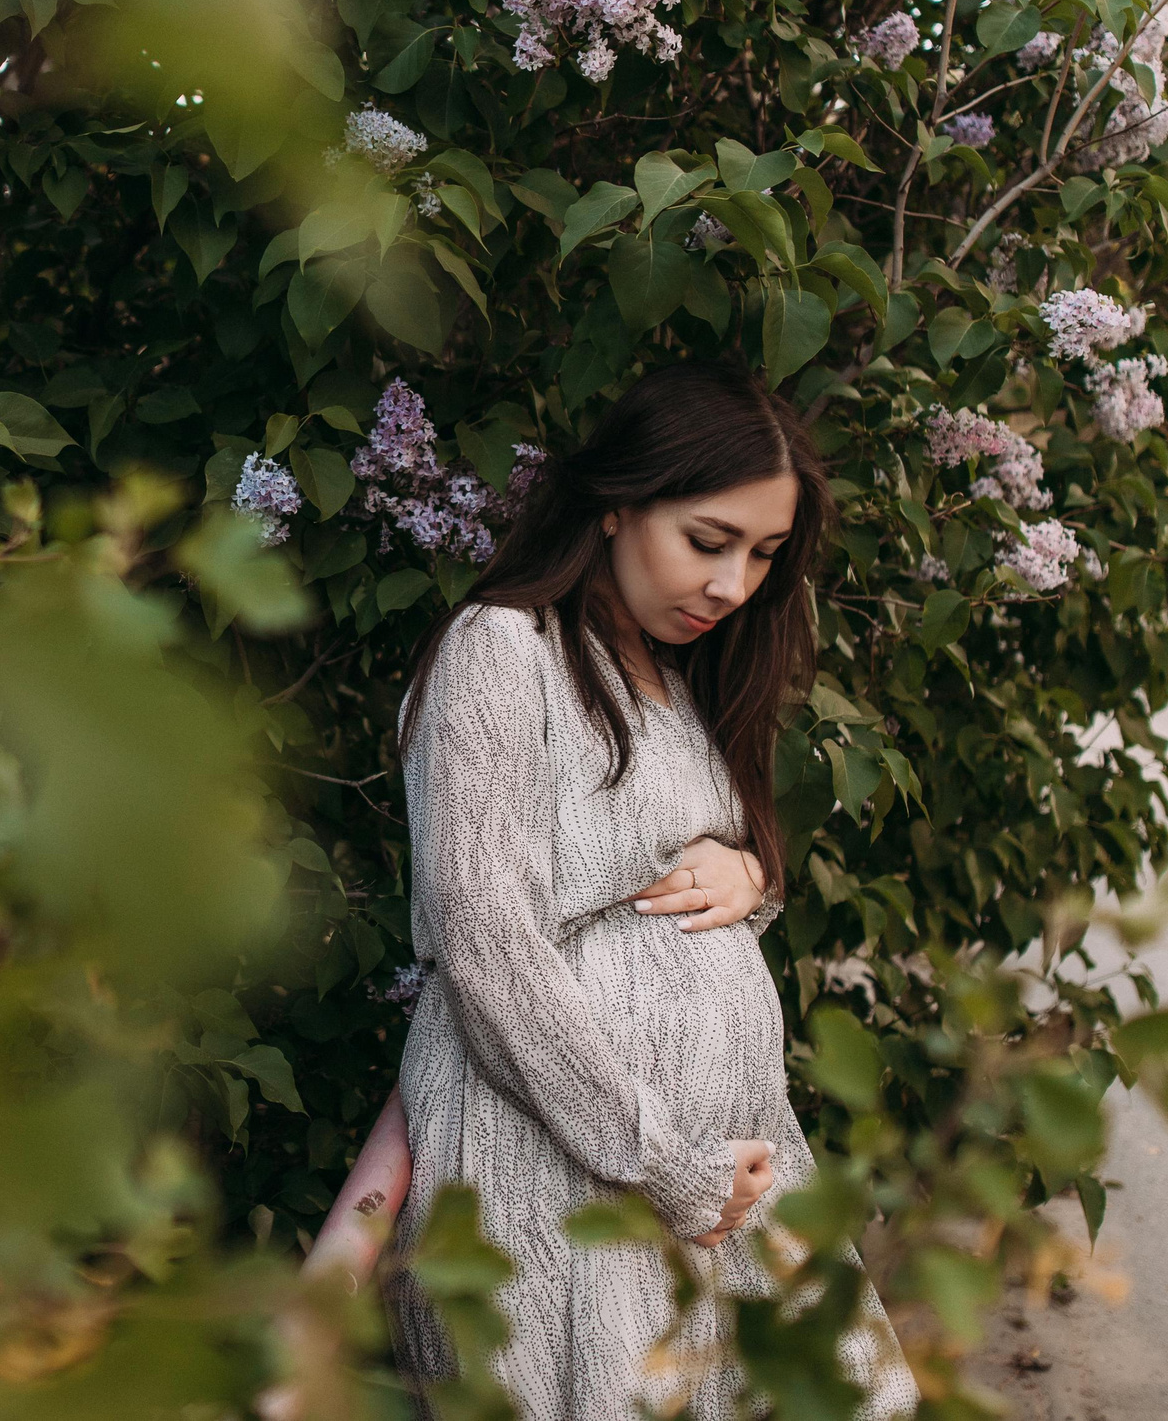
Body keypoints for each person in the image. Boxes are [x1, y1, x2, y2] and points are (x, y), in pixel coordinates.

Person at [313, 363, 916, 1420]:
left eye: (765, 556)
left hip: (720, 1172)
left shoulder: (671, 677)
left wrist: (752, 873)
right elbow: (487, 942)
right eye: (709, 541)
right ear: (615, 506)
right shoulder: (500, 653)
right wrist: (665, 1162)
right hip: (563, 1167)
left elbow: (656, 864)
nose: (734, 587)